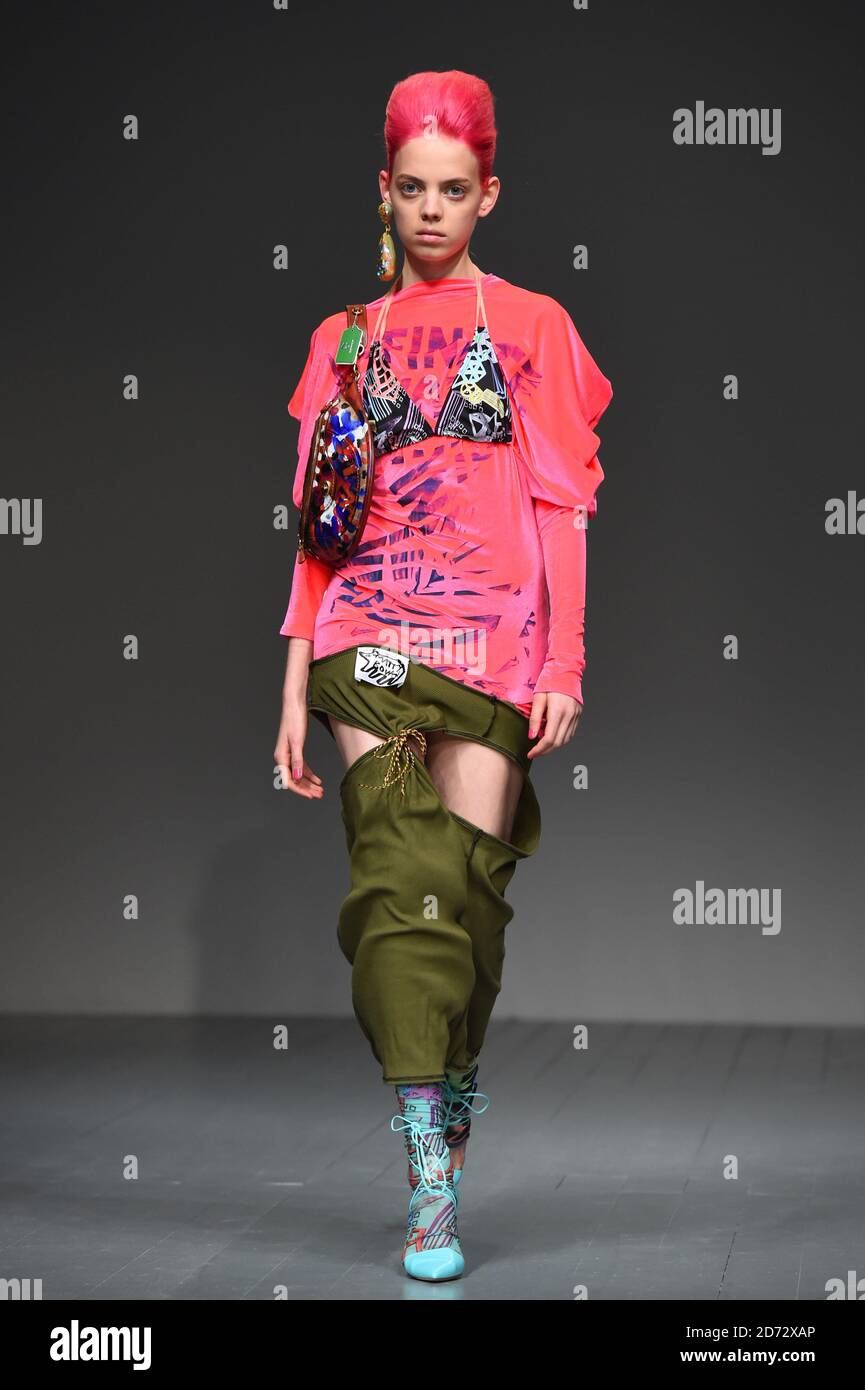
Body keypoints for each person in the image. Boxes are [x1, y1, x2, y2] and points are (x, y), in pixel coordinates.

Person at [273, 69, 613, 1283]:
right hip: (369, 636)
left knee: (464, 907)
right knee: (401, 885)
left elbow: (562, 503)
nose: (430, 210)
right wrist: (290, 687)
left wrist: (563, 657)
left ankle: (450, 1090)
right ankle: (426, 1173)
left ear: (489, 195)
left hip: (493, 648)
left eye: (452, 190)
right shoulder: (341, 341)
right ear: (384, 192)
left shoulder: (532, 329)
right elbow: (319, 529)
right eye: (410, 189)